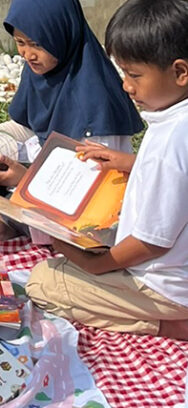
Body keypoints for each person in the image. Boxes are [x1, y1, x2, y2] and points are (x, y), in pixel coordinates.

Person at [26, 0, 188, 340]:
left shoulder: (171, 139)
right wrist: (131, 163)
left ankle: (169, 326)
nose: (126, 86)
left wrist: (96, 265)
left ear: (180, 73)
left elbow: (152, 243)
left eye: (134, 75)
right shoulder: (175, 122)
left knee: (44, 281)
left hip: (165, 287)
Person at [0, 0, 143, 240]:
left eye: (36, 44)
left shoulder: (95, 97)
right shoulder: (42, 70)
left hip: (77, 196)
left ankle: (10, 221)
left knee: (2, 199)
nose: (27, 54)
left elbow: (88, 186)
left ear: (62, 35)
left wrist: (24, 180)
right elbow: (26, 126)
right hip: (41, 172)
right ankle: (8, 218)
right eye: (20, 43)